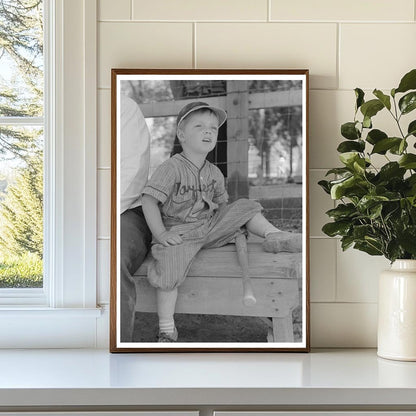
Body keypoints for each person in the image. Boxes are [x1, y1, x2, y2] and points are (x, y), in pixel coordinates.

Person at [141, 101, 301, 342]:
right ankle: (166, 329)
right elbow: (148, 201)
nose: (208, 131)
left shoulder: (214, 172)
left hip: (210, 228)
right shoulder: (171, 168)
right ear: (181, 134)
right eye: (199, 126)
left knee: (245, 206)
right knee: (169, 269)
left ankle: (274, 235)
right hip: (180, 233)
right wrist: (162, 235)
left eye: (213, 128)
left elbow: (223, 207)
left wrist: (231, 224)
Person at [119, 94, 152, 342]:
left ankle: (116, 351)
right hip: (83, 210)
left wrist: (97, 220)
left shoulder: (123, 107)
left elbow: (133, 172)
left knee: (112, 258)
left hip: (125, 207)